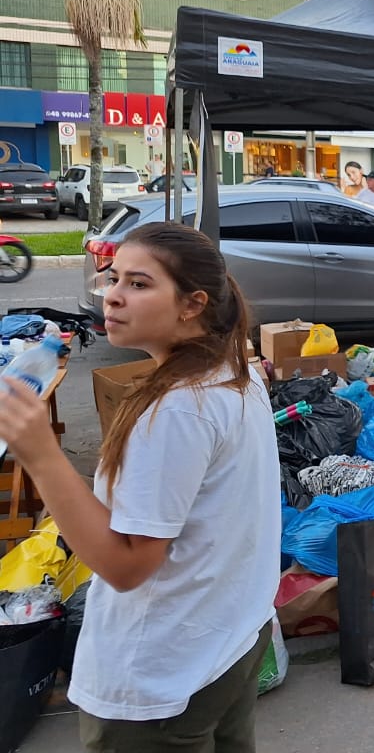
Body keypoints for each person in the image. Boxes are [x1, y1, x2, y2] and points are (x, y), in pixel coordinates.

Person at [0, 222, 279, 750]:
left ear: (192, 304)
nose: (113, 296)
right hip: (231, 639)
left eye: (139, 283)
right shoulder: (234, 372)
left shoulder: (176, 410)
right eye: (114, 279)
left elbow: (127, 566)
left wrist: (40, 454)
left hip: (163, 677)